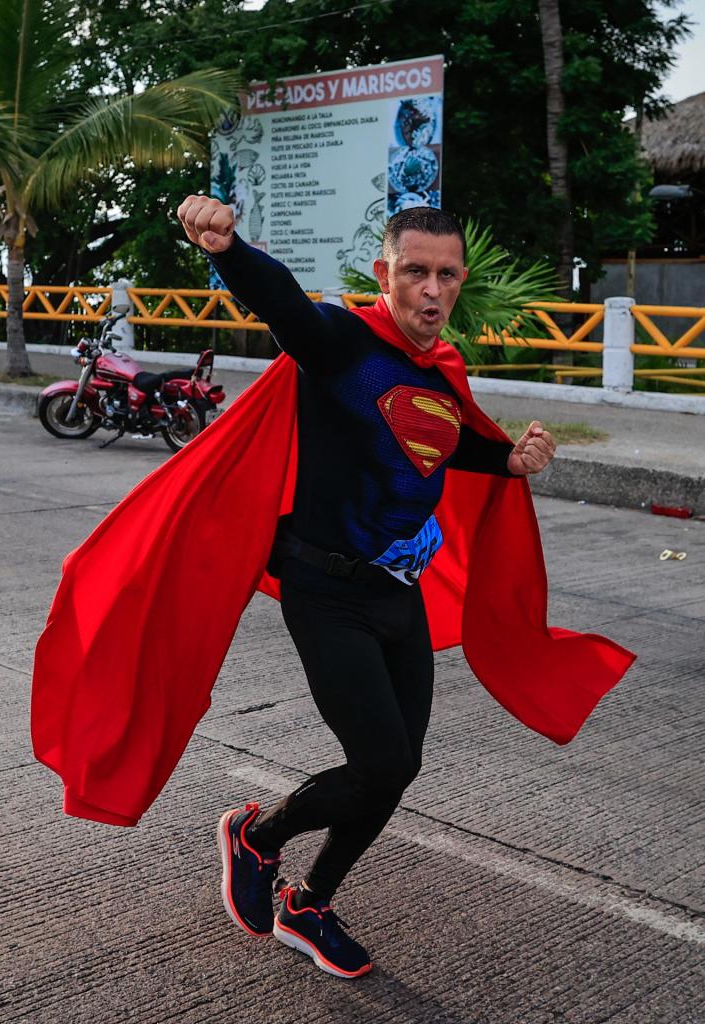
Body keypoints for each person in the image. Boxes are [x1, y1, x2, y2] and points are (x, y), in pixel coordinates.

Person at [176, 196, 557, 979]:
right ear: (384, 275)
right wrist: (228, 252)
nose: (431, 289)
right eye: (414, 271)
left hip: (396, 595)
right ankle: (258, 835)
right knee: (380, 762)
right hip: (326, 589)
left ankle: (309, 902)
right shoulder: (343, 344)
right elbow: (286, 307)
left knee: (398, 766)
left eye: (446, 275)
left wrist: (508, 462)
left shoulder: (440, 368)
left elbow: (437, 443)